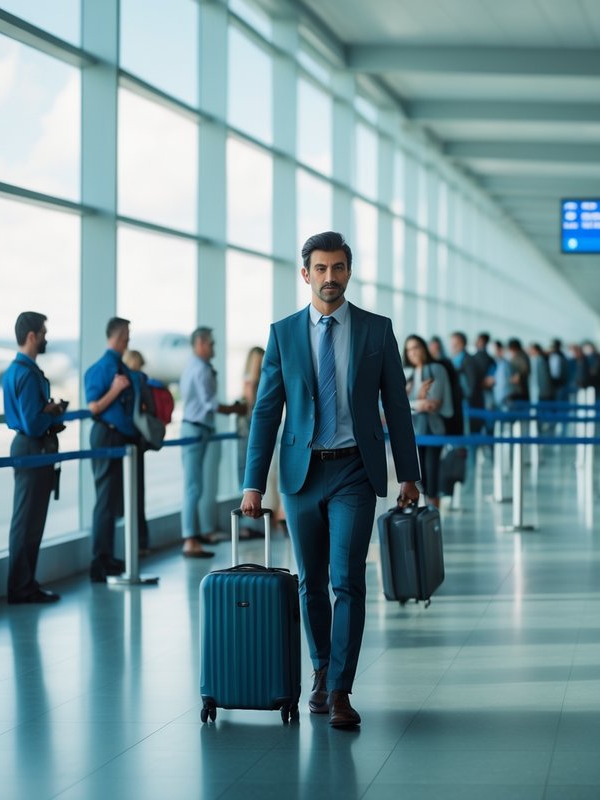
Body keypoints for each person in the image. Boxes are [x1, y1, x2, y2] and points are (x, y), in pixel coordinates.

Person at [241, 231, 421, 730]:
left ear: (348, 272)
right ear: (306, 274)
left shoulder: (375, 331)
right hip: (301, 474)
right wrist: (254, 483)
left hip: (353, 471)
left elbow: (398, 409)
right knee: (311, 583)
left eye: (338, 268)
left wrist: (409, 473)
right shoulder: (284, 334)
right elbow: (265, 412)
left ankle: (340, 688)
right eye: (320, 269)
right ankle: (320, 670)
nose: (329, 278)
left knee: (348, 581)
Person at [1, 311, 66, 604]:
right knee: (28, 521)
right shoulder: (27, 374)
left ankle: (25, 583)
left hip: (29, 448)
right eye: (43, 332)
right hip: (33, 447)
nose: (46, 338)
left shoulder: (16, 371)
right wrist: (50, 413)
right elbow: (31, 422)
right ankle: (21, 586)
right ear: (32, 336)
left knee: (28, 519)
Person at [180, 327, 248, 558]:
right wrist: (235, 409)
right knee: (193, 486)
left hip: (200, 428)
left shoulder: (195, 367)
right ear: (200, 343)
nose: (213, 348)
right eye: (211, 344)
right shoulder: (200, 370)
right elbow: (210, 404)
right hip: (195, 428)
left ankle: (198, 533)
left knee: (197, 485)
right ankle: (189, 539)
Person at [84, 317, 136, 582]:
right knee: (105, 500)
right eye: (126, 333)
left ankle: (108, 555)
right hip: (106, 437)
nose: (129, 339)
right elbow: (93, 407)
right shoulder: (101, 369)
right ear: (117, 336)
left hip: (120, 439)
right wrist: (115, 390)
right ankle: (99, 561)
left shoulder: (121, 366)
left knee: (113, 499)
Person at [241, 346, 286, 533]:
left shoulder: (254, 380)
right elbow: (256, 409)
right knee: (269, 473)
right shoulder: (253, 382)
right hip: (256, 430)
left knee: (271, 473)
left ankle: (275, 516)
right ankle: (274, 517)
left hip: (261, 430)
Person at [403, 335, 452, 508]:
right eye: (409, 349)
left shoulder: (436, 369)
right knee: (417, 478)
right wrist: (418, 401)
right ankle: (421, 516)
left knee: (431, 475)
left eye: (416, 347)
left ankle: (432, 517)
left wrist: (410, 401)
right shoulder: (407, 373)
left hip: (432, 430)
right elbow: (396, 404)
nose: (413, 352)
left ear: (424, 348)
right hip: (412, 432)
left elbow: (432, 404)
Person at [120, 349, 153, 554]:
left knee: (124, 496)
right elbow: (148, 407)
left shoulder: (124, 379)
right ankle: (140, 542)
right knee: (137, 494)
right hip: (137, 441)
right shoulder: (140, 380)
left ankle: (130, 544)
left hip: (123, 442)